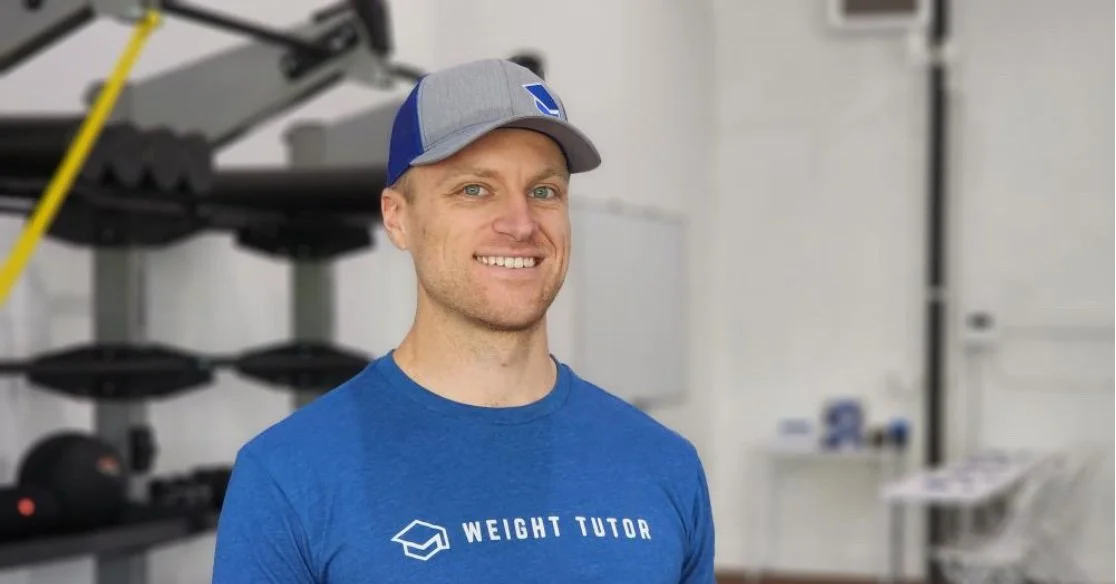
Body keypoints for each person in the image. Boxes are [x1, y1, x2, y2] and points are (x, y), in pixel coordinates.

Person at [211, 58, 715, 583]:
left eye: (544, 191)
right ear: (397, 217)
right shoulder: (289, 476)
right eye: (474, 189)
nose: (521, 224)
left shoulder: (664, 464)